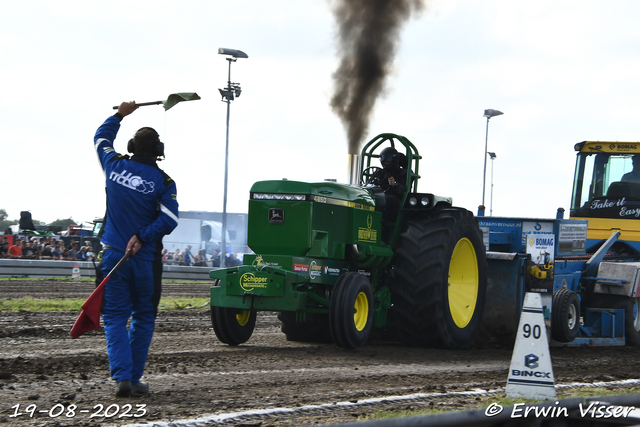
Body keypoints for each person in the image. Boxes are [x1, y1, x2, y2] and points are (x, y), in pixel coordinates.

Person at [94, 101, 179, 398]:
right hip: (144, 260)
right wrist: (143, 236)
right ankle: (133, 376)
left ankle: (122, 378)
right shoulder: (165, 182)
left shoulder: (113, 164)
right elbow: (170, 219)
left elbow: (101, 138)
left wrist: (120, 114)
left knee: (115, 317)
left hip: (113, 255)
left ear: (131, 145)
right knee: (144, 316)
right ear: (159, 151)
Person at [373, 147, 408, 224]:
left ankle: (380, 223)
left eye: (388, 160)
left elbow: (404, 191)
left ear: (394, 160)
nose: (385, 162)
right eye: (384, 159)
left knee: (385, 199)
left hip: (396, 200)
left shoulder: (403, 173)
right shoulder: (379, 172)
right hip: (378, 196)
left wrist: (395, 185)